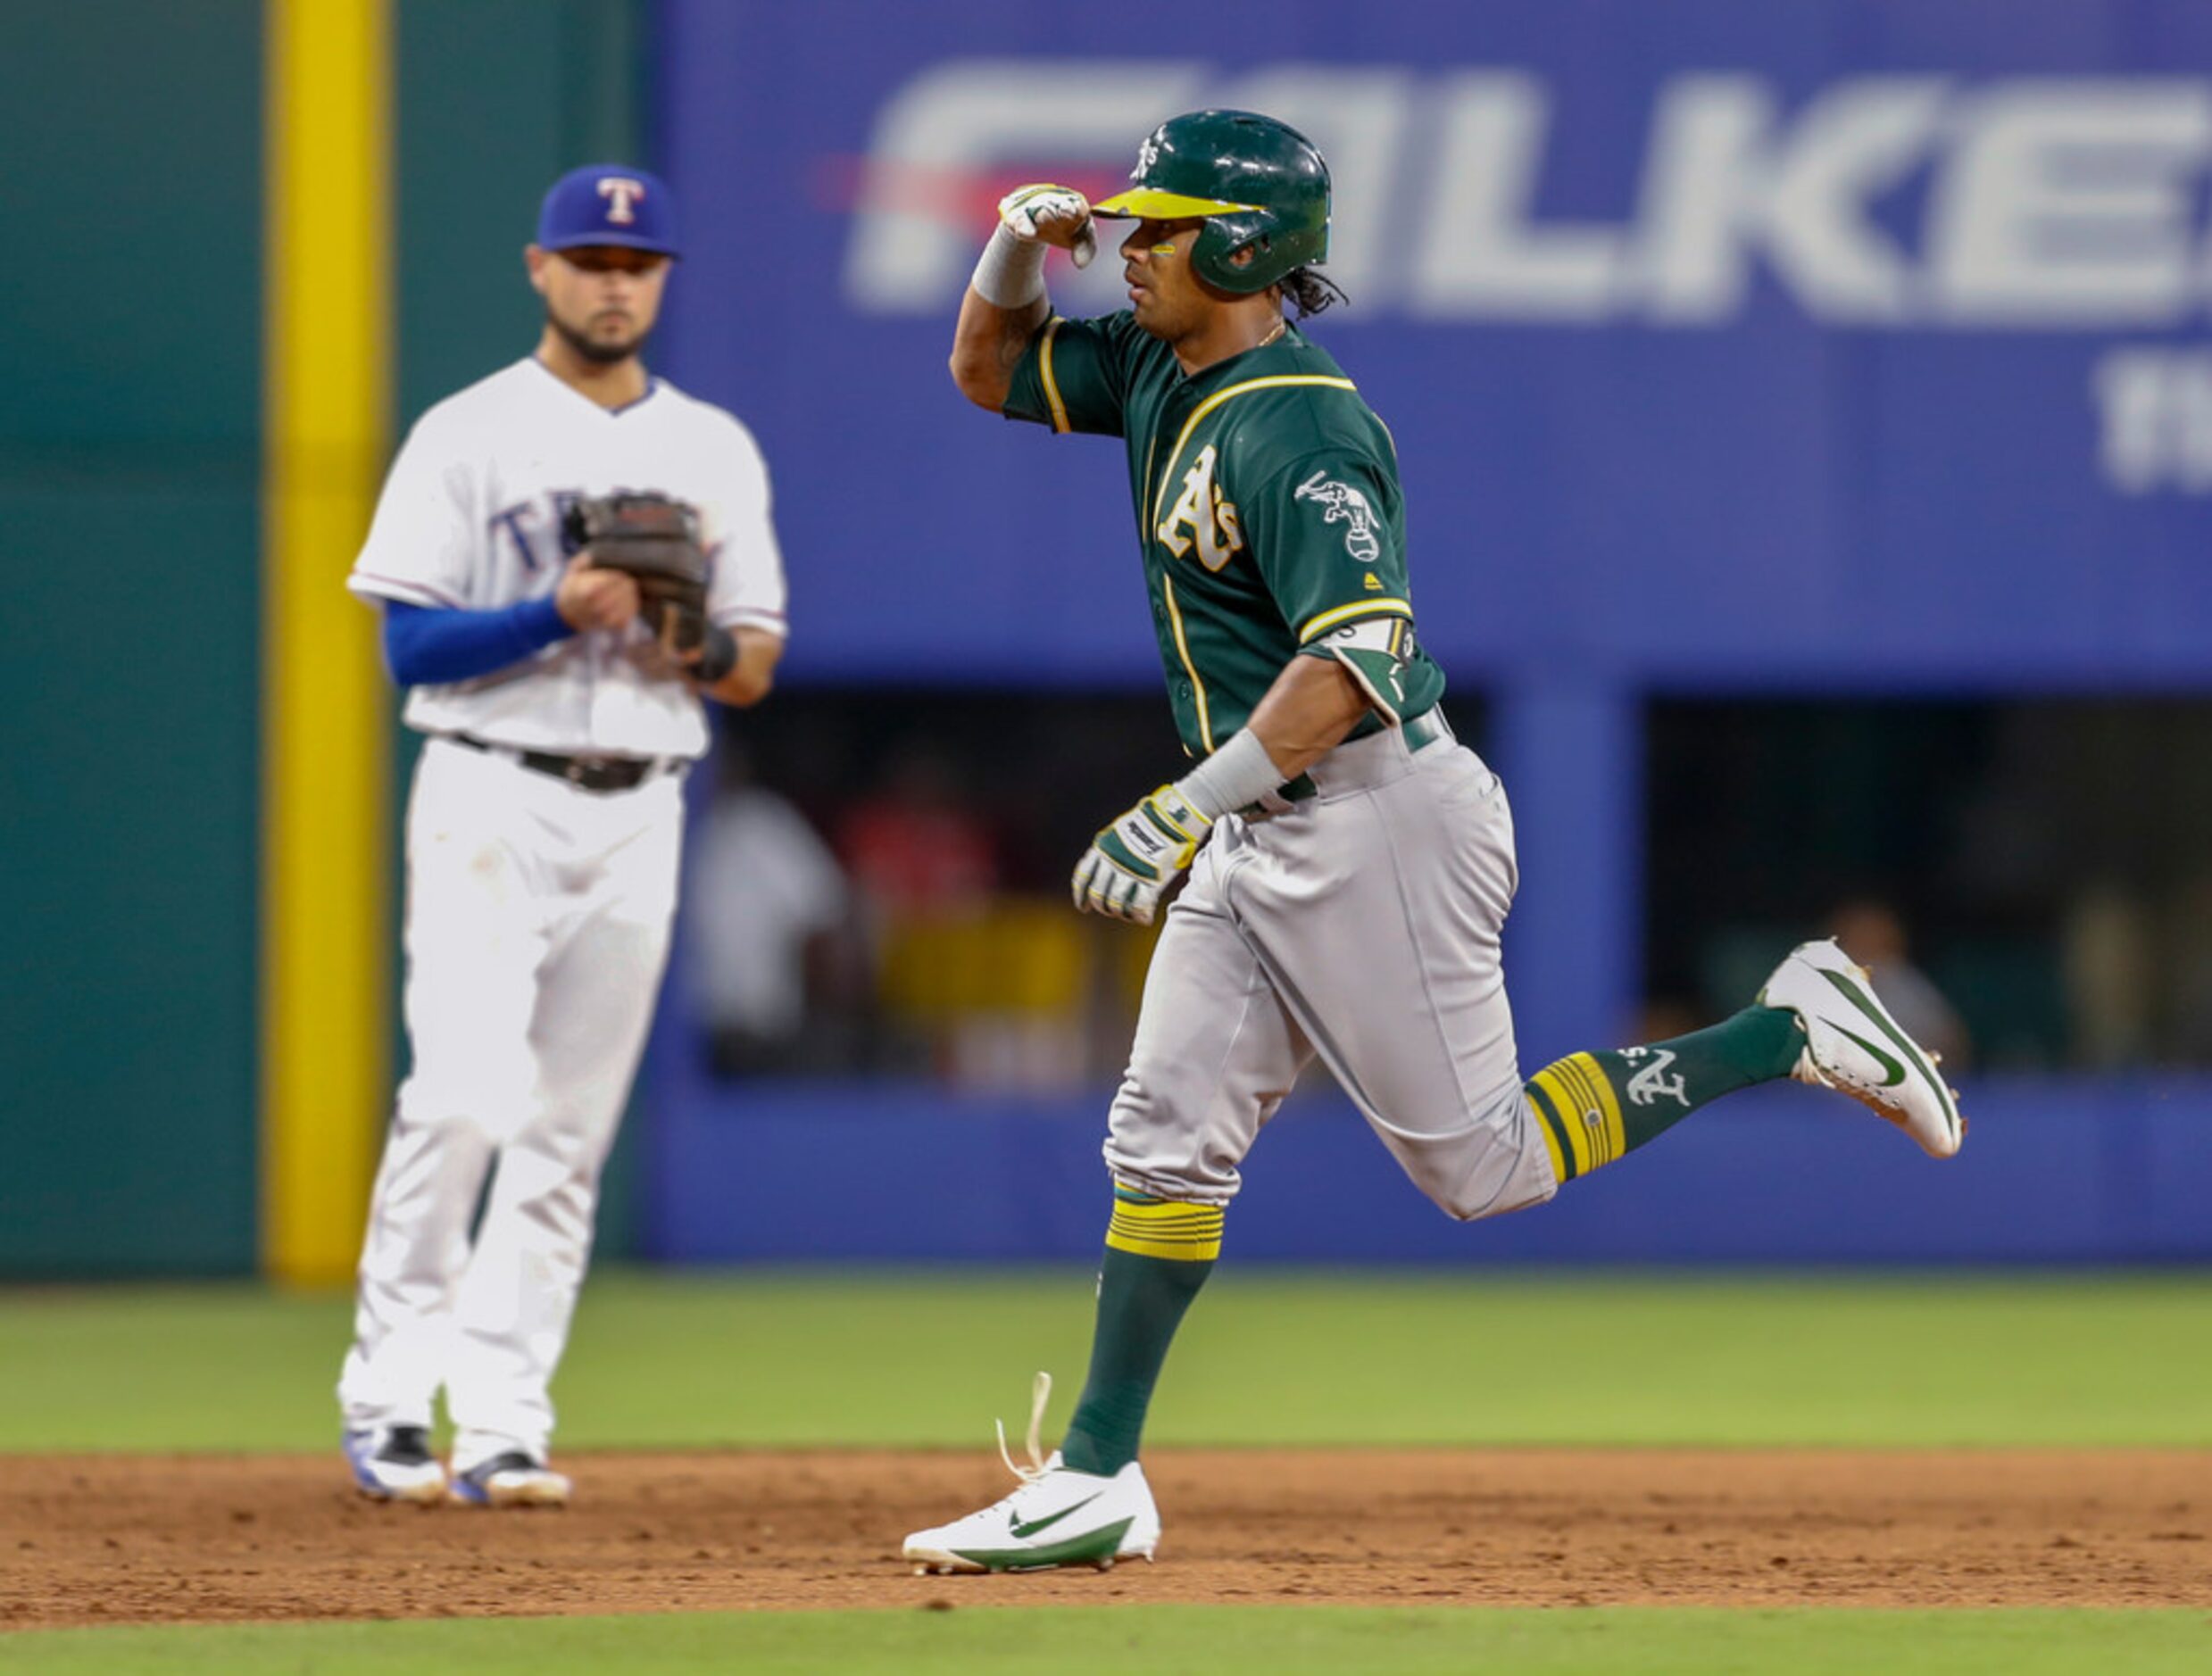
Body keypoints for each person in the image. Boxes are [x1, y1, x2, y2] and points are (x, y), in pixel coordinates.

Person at [902, 112, 1966, 1574]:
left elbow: (1351, 664)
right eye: (1134, 219)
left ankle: (1781, 1029)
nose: (1130, 243)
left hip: (1370, 812)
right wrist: (1014, 245)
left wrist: (1179, 805)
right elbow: (982, 368)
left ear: (1241, 244)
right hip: (1268, 818)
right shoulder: (1157, 364)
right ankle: (1095, 1472)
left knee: (1485, 1166)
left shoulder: (1302, 423)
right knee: (1162, 1139)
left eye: (1162, 221)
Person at [337, 164, 788, 1506]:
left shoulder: (712, 445)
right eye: (588, 256)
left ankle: (503, 1417)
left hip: (642, 794)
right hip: (490, 785)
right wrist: (555, 610)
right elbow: (407, 640)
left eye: (634, 260)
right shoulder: (466, 432)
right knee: (464, 1095)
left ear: (661, 280)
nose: (612, 278)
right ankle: (387, 1401)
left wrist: (674, 632)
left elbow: (752, 658)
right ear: (540, 270)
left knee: (566, 1131)